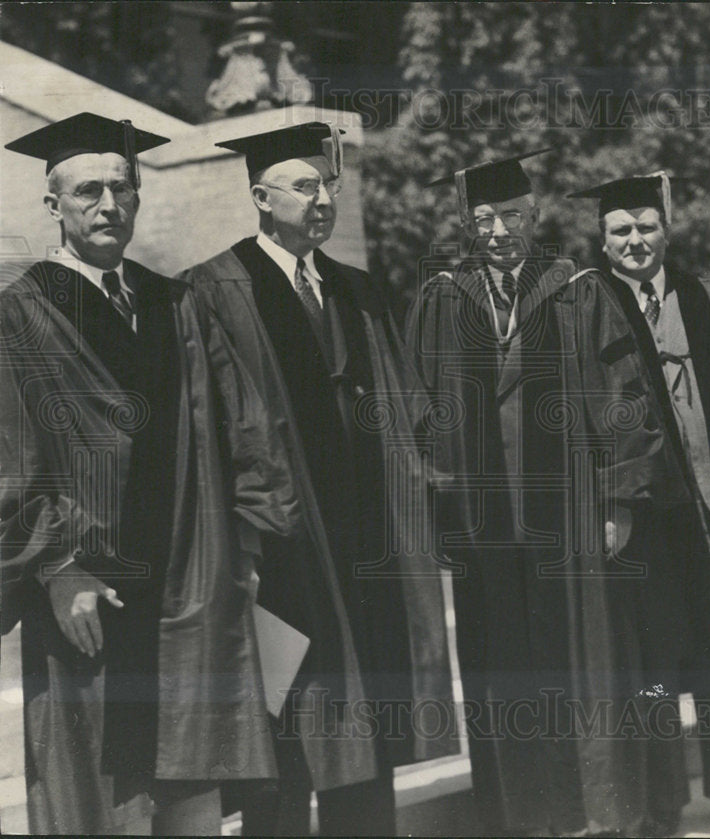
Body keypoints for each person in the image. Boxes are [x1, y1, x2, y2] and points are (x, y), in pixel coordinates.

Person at [0, 112, 303, 835]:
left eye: (122, 188)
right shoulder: (19, 311)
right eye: (88, 191)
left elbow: (243, 424)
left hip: (189, 586)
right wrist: (57, 567)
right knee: (100, 794)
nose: (108, 205)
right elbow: (7, 452)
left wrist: (252, 544)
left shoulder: (176, 302)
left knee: (192, 783)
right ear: (54, 206)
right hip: (87, 589)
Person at [178, 121, 454, 836]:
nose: (323, 198)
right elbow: (207, 429)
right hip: (281, 549)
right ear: (261, 197)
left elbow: (406, 412)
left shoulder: (357, 290)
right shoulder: (214, 287)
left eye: (330, 184)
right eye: (305, 186)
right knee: (288, 722)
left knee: (366, 721)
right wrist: (242, 541)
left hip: (368, 544)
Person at [558, 172, 710, 835]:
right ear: (602, 240)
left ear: (666, 230)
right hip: (648, 513)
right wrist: (615, 499)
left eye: (645, 227)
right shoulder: (586, 301)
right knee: (657, 660)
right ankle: (662, 804)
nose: (634, 240)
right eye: (620, 231)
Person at [405, 151, 587, 835]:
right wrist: (438, 500)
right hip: (480, 518)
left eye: (512, 213)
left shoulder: (571, 285)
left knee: (564, 659)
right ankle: (511, 816)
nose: (500, 228)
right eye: (484, 217)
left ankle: (573, 807)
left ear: (535, 212)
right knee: (496, 665)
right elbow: (418, 405)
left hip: (558, 513)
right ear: (466, 223)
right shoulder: (441, 295)